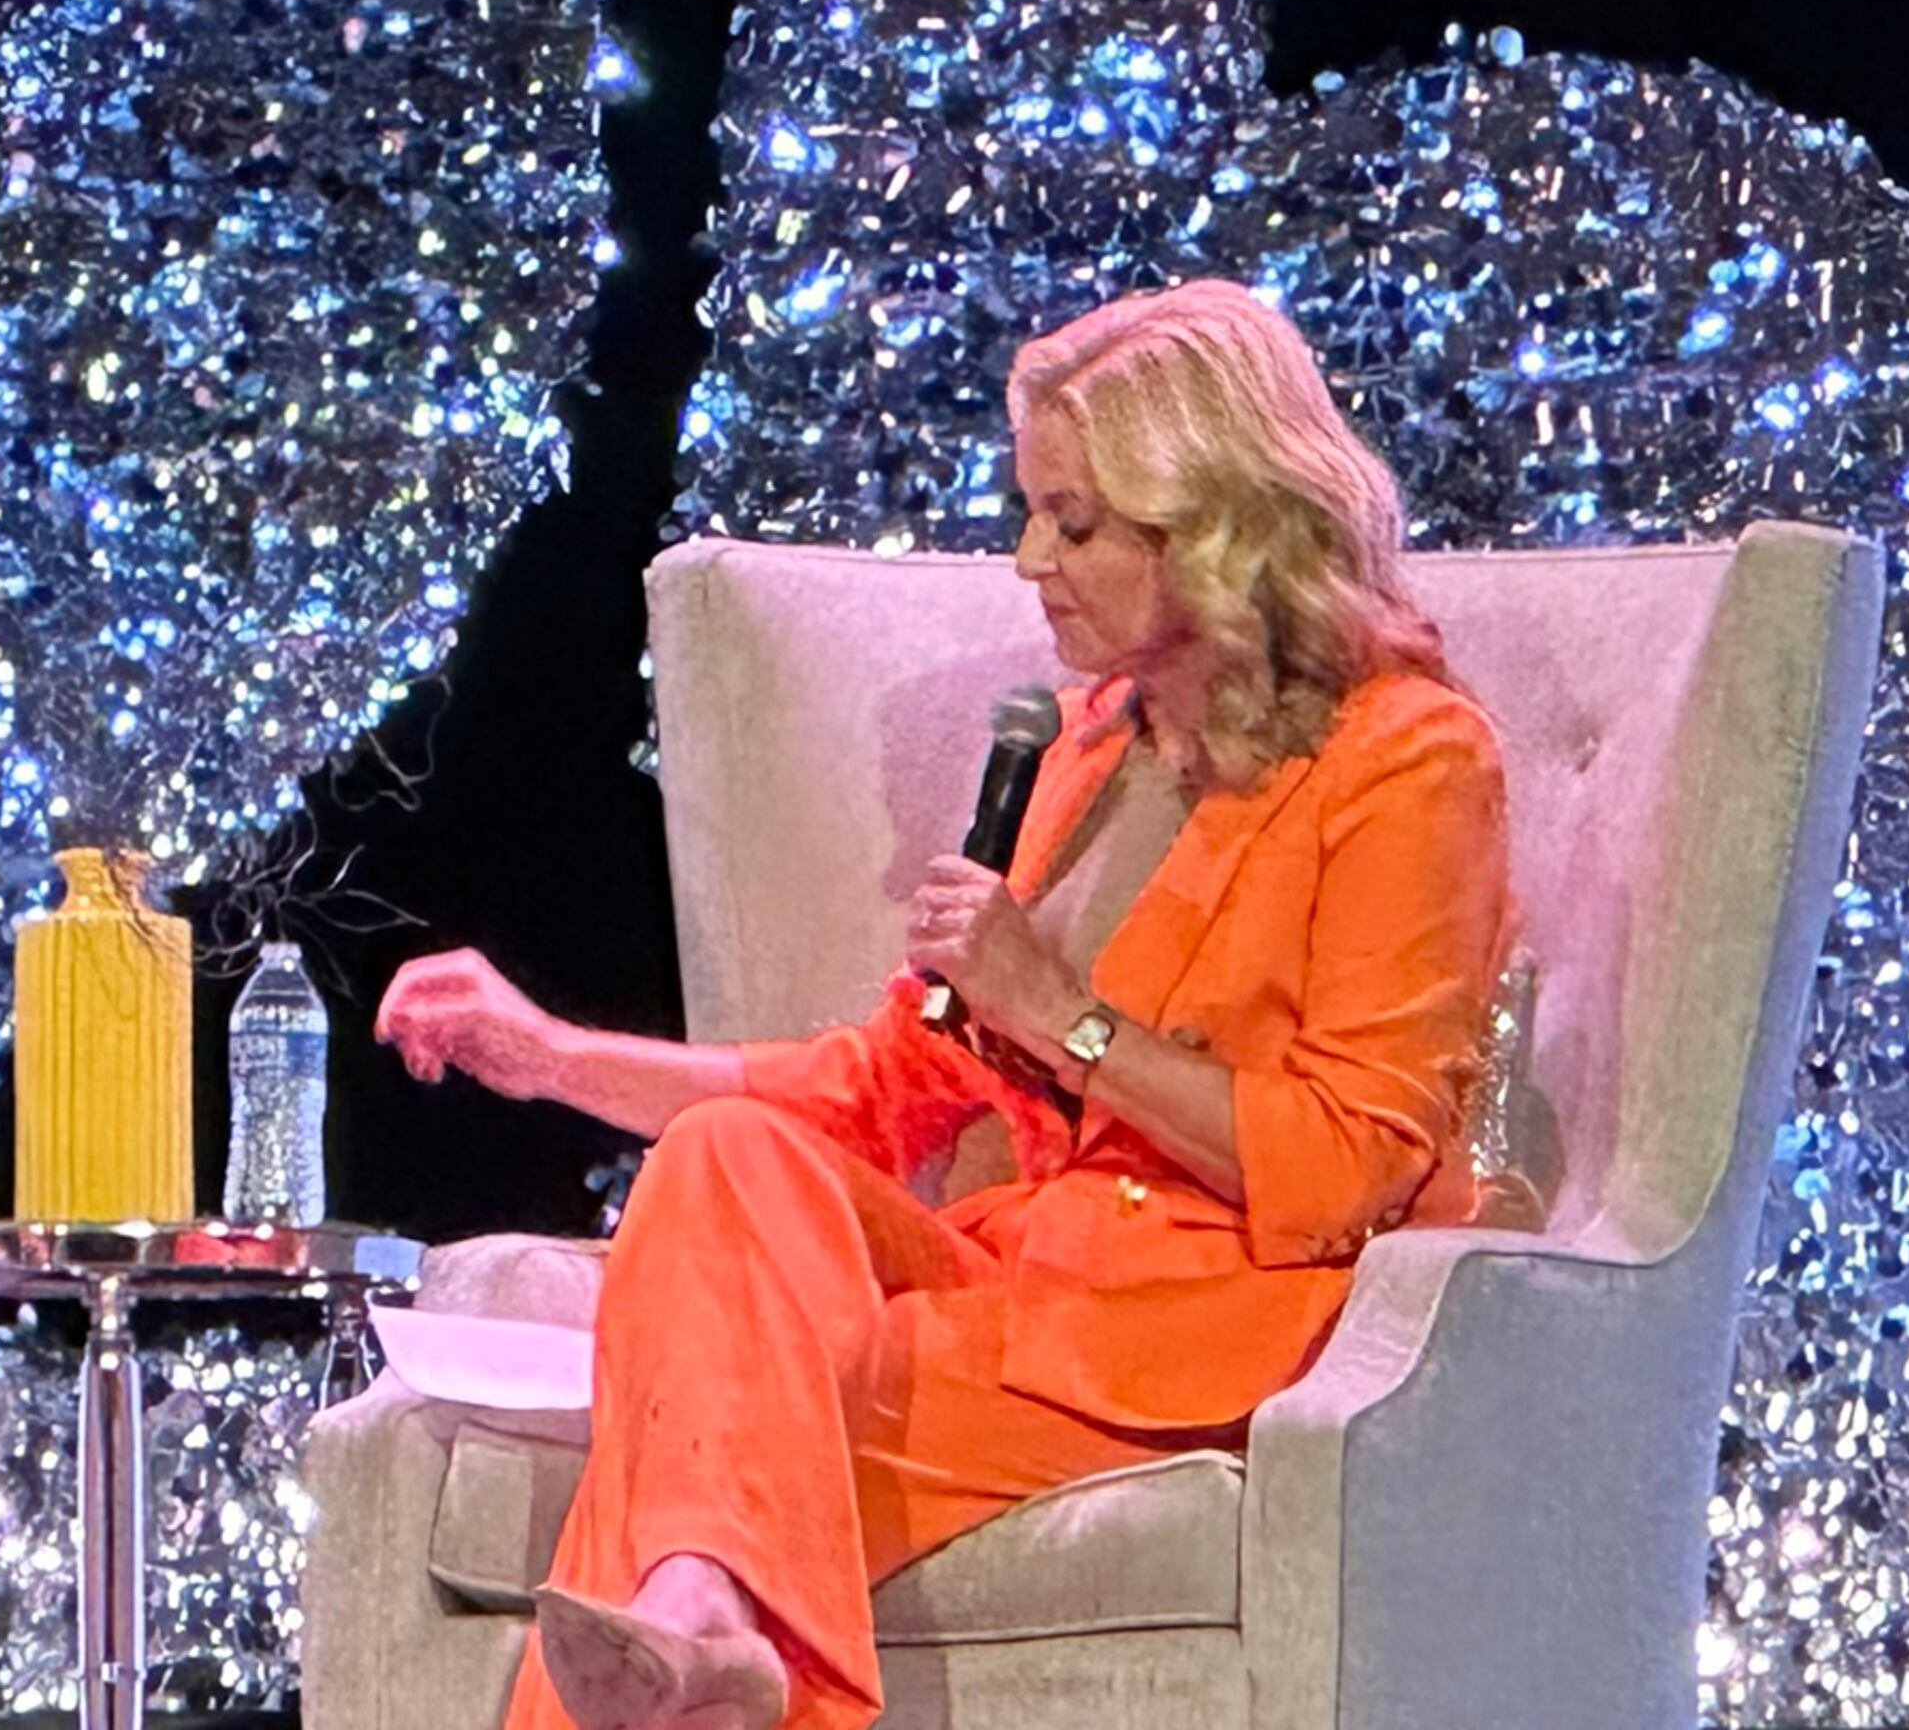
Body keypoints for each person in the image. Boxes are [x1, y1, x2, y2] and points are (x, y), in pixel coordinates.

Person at [375, 280, 1514, 1730]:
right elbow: (882, 1084)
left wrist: (1064, 1014)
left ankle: (710, 1632)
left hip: (1188, 1334)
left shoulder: (1410, 763)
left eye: (1077, 523)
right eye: (1031, 510)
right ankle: (703, 1626)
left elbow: (1349, 1162)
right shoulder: (1096, 750)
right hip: (1008, 1287)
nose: (1030, 559)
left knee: (683, 1454)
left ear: (1215, 529)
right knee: (723, 1170)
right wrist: (549, 1058)